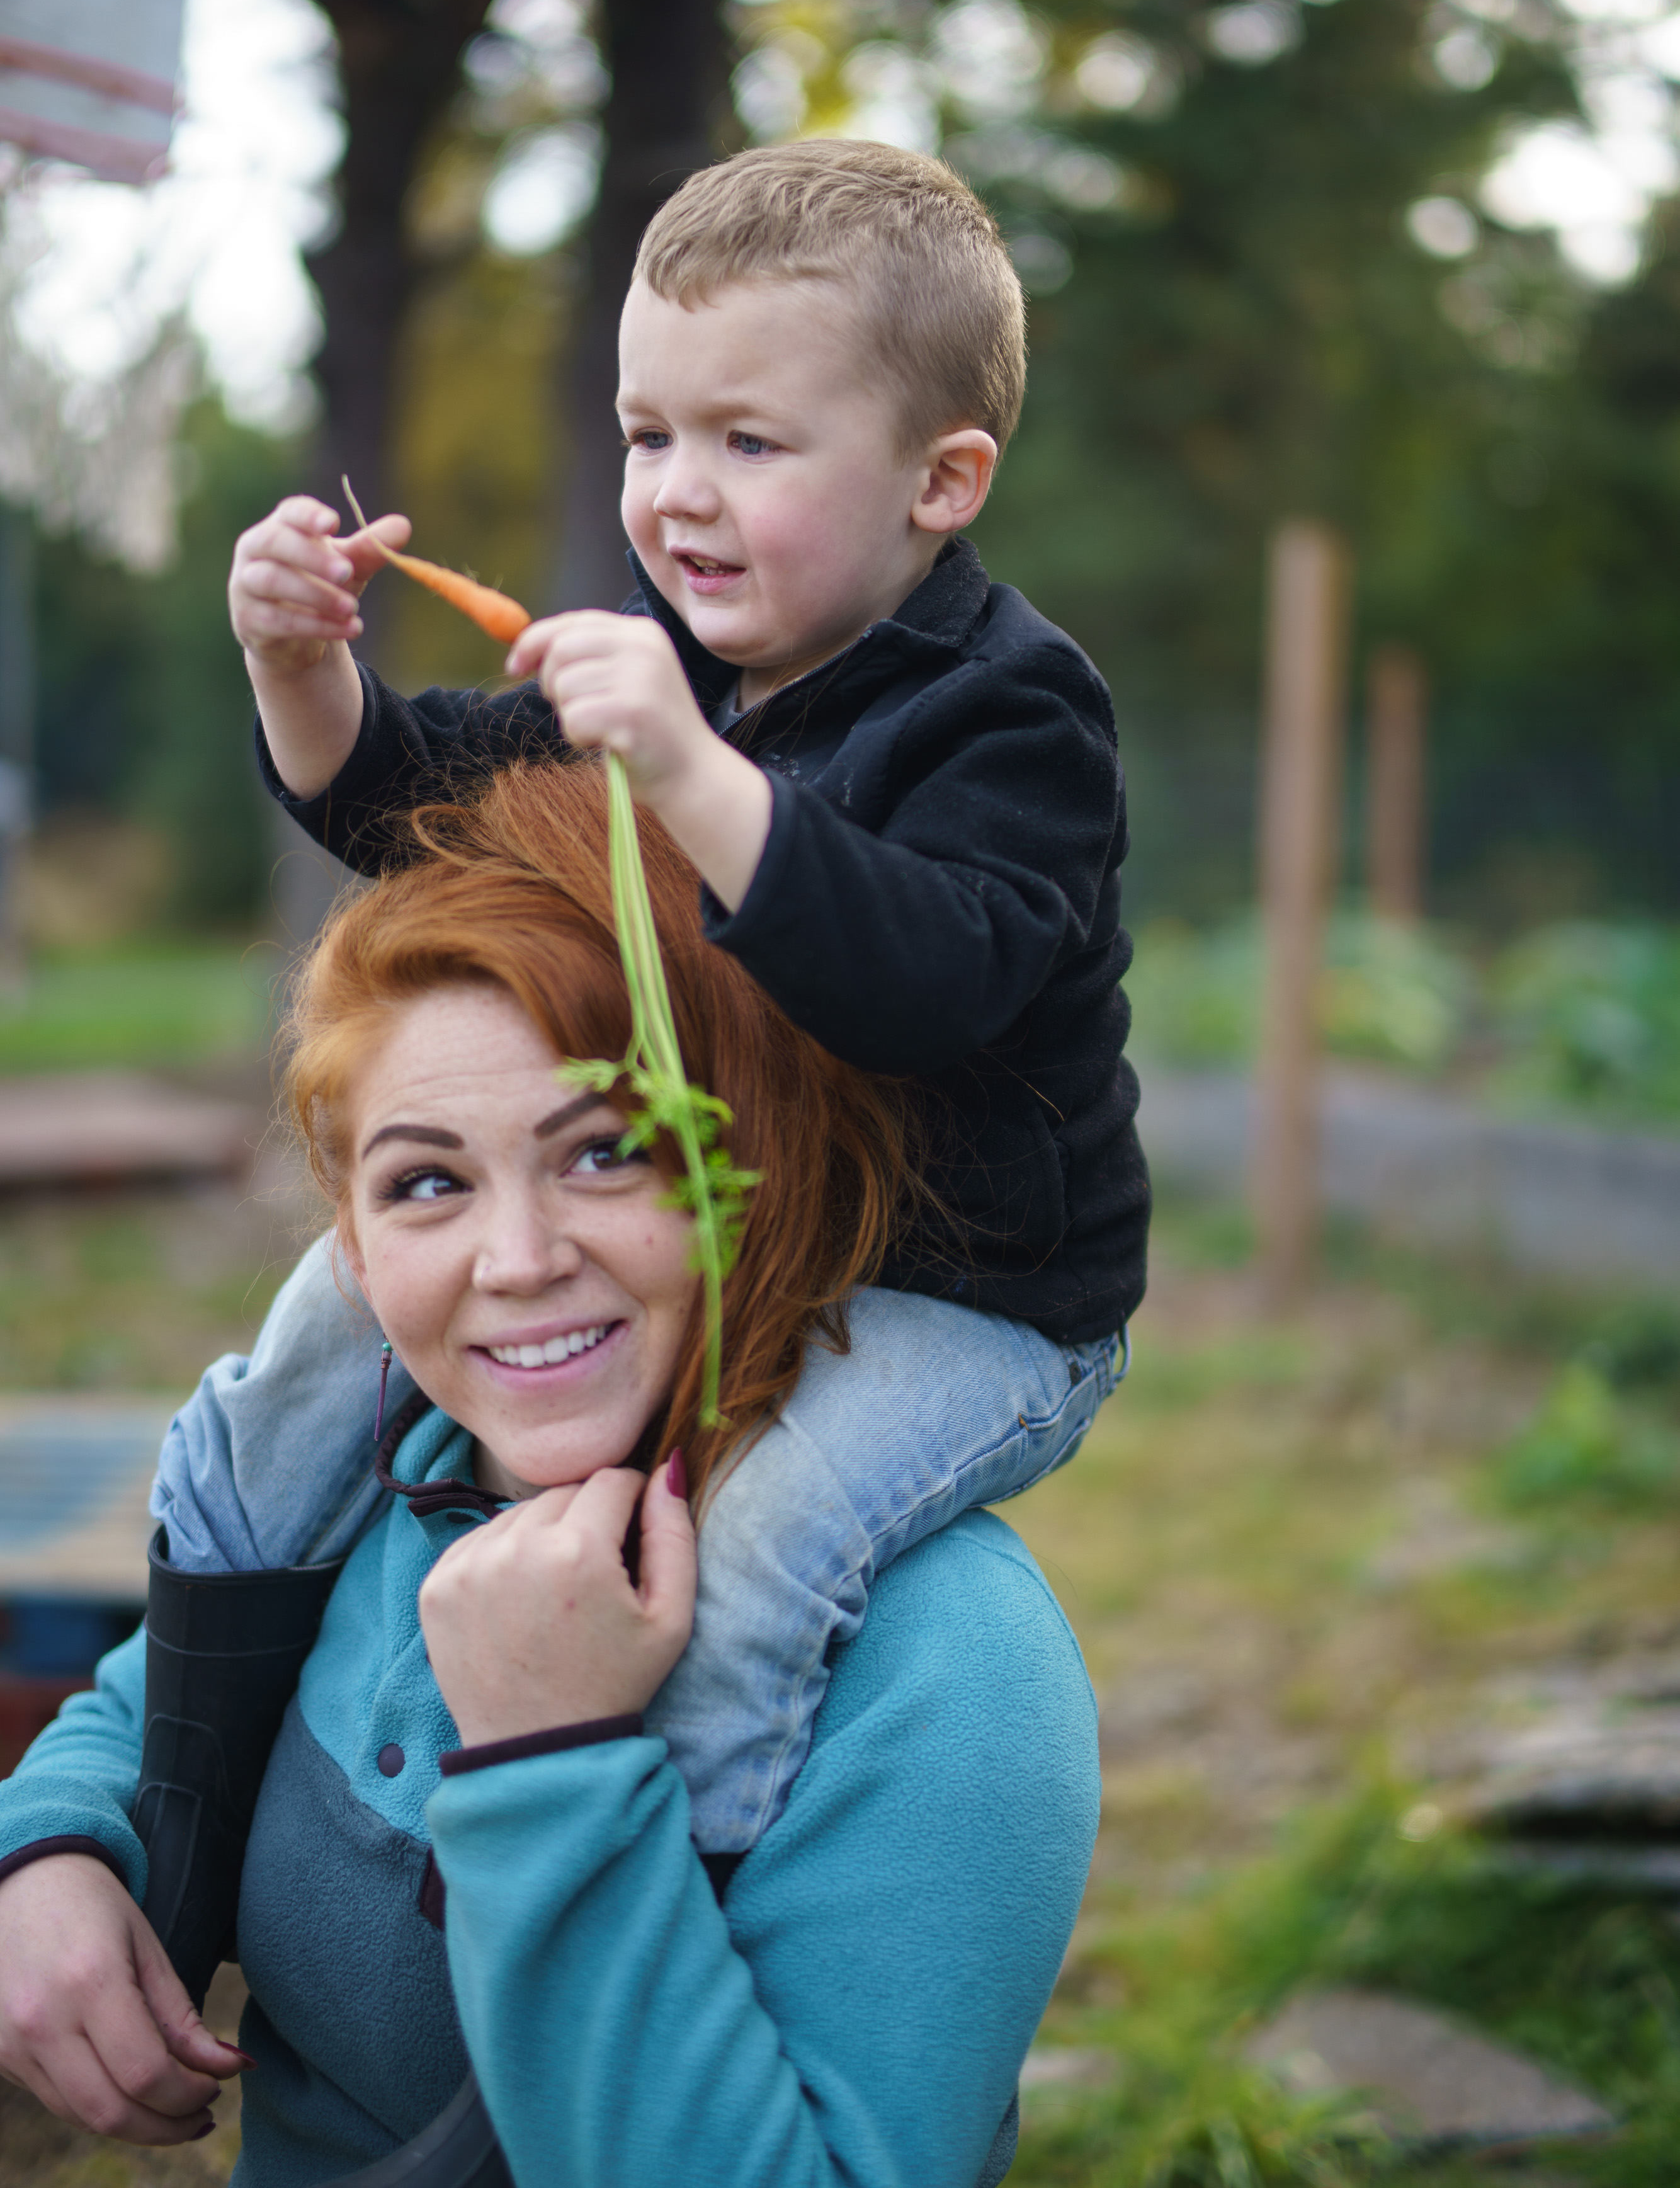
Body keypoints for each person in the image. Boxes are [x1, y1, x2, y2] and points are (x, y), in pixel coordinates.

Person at [203, 135, 1147, 1860]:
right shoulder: (671, 666)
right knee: (310, 1350)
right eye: (649, 435)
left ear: (940, 482)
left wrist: (692, 771)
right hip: (729, 1222)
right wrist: (300, 668)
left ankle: (673, 1929)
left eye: (748, 442)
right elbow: (398, 799)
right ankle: (187, 1779)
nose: (674, 493)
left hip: (964, 1293)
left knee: (756, 1558)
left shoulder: (1011, 715)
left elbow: (922, 981)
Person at [0, 765, 1100, 2187]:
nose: (515, 1261)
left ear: (749, 1169)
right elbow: (141, 1702)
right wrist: (48, 1851)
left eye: (602, 1152)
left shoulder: (942, 1659)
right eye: (428, 1182)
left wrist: (551, 1762)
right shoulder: (387, 1475)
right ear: (350, 1236)